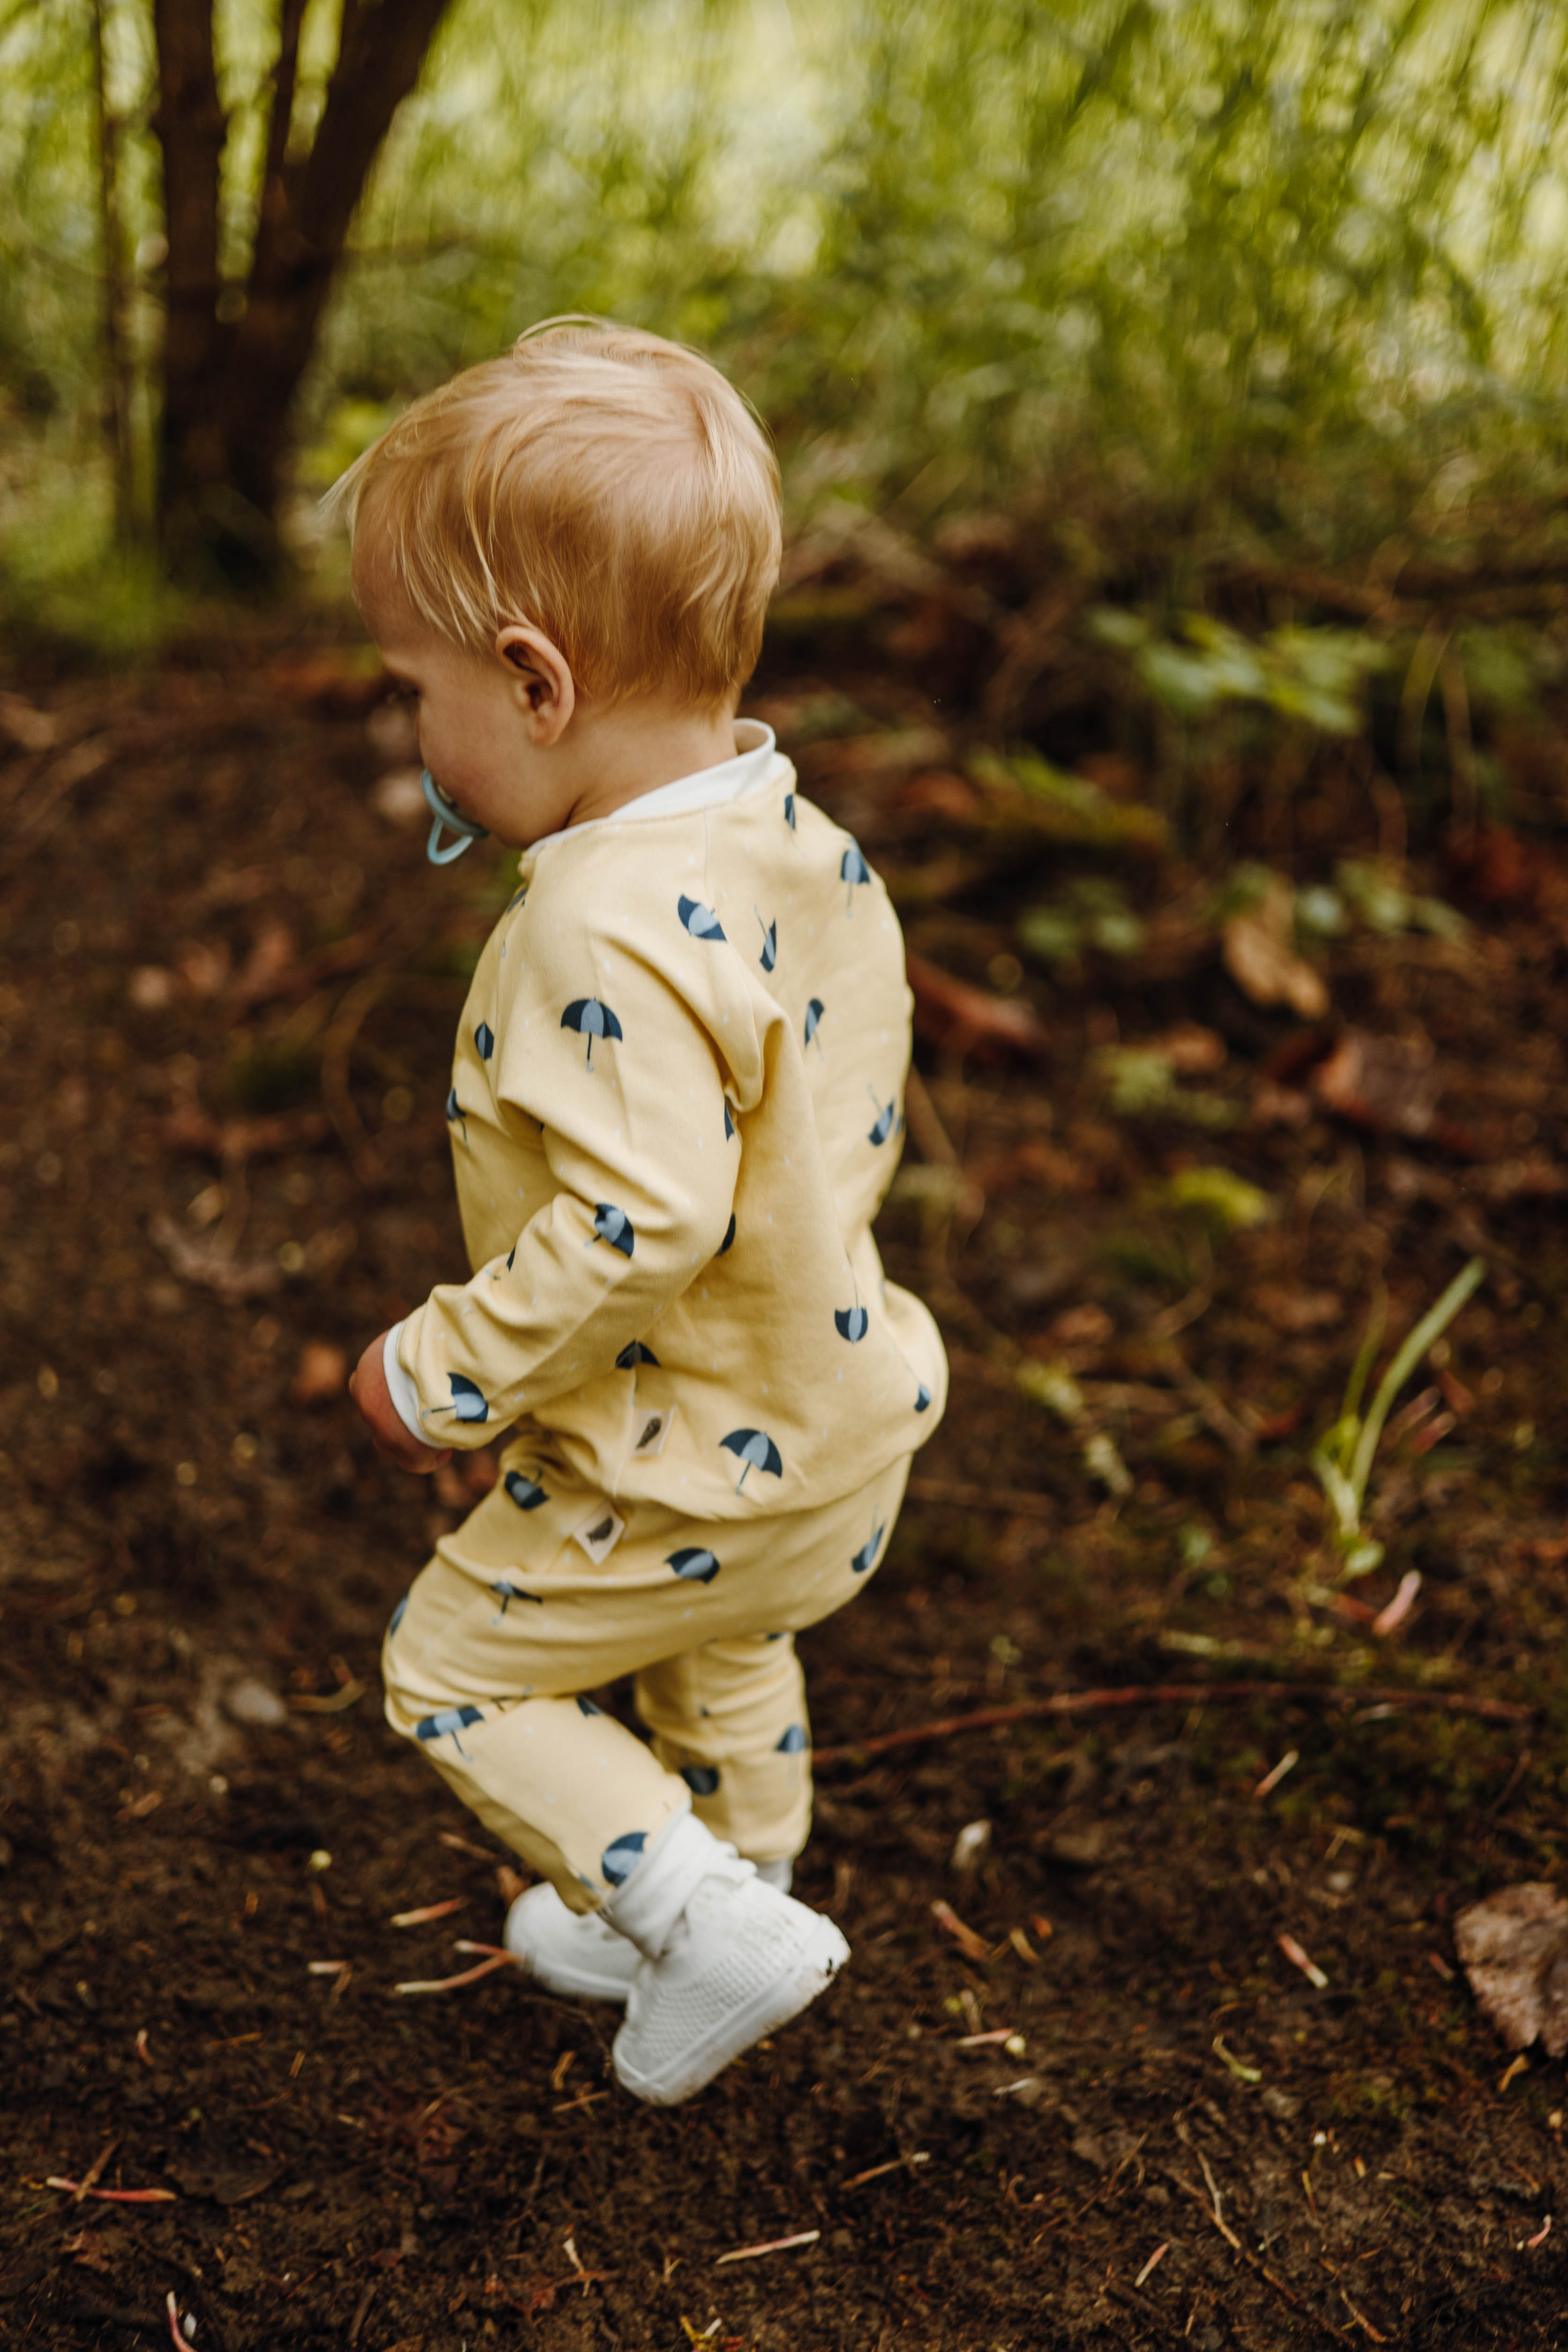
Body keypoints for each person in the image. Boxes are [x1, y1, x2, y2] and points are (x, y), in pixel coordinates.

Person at [336, 319, 946, 2105]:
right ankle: (730, 1891)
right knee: (719, 1641)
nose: (414, 727)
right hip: (825, 1413)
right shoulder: (795, 842)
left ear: (534, 683)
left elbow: (639, 1220)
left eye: (415, 685)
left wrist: (443, 1370)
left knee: (450, 1674)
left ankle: (696, 1914)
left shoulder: (596, 928)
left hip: (681, 1458)